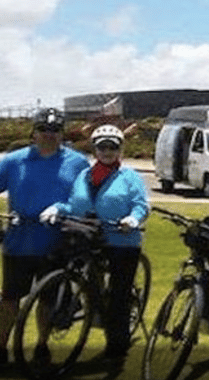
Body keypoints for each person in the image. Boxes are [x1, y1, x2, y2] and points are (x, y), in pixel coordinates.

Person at [39, 124, 149, 360]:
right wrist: (56, 209)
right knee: (63, 265)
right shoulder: (84, 175)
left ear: (120, 149)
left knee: (119, 295)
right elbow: (73, 204)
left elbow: (141, 205)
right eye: (102, 147)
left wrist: (133, 218)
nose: (107, 151)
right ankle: (73, 306)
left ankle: (117, 345)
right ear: (95, 149)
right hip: (88, 237)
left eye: (113, 147)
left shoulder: (130, 176)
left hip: (120, 239)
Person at [0, 108, 90, 366]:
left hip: (56, 243)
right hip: (18, 242)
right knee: (9, 300)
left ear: (62, 134)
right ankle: (1, 348)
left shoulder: (77, 162)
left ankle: (42, 346)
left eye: (55, 131)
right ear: (34, 133)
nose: (49, 135)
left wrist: (61, 208)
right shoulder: (13, 161)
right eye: (43, 130)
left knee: (48, 300)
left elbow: (82, 201)